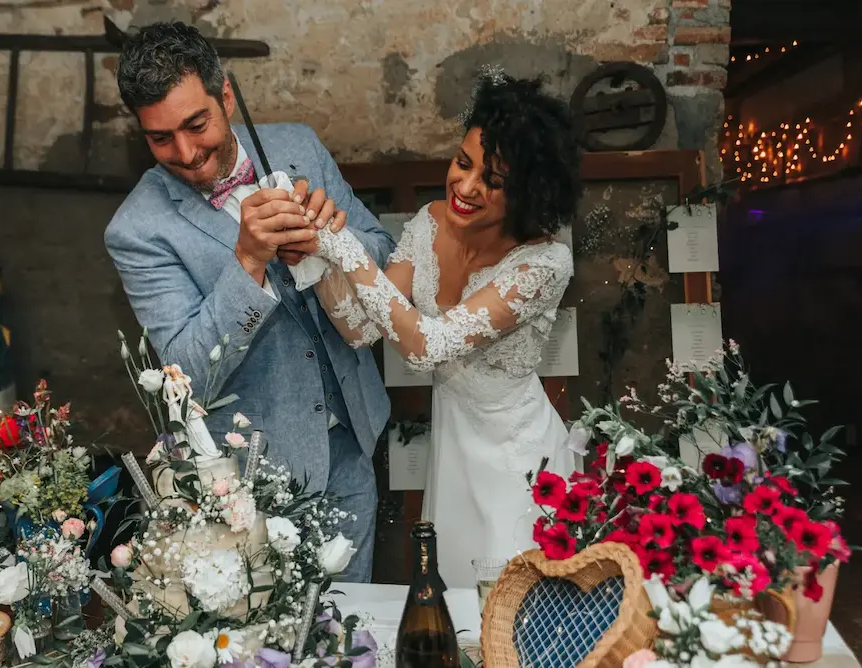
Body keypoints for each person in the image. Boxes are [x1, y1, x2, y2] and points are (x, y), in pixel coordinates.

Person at [104, 21, 394, 583]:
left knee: (355, 626)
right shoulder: (135, 230)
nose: (186, 153)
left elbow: (381, 248)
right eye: (160, 138)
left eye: (196, 124)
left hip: (353, 441)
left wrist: (337, 246)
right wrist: (246, 263)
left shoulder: (298, 144)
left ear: (227, 96)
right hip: (248, 482)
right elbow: (186, 377)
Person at [309, 71, 581, 588]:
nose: (466, 186)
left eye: (493, 182)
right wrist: (318, 260)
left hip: (517, 462)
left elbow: (426, 347)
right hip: (452, 454)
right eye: (463, 162)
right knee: (455, 608)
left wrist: (345, 248)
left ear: (530, 195)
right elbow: (360, 328)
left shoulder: (545, 263)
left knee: (516, 609)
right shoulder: (430, 222)